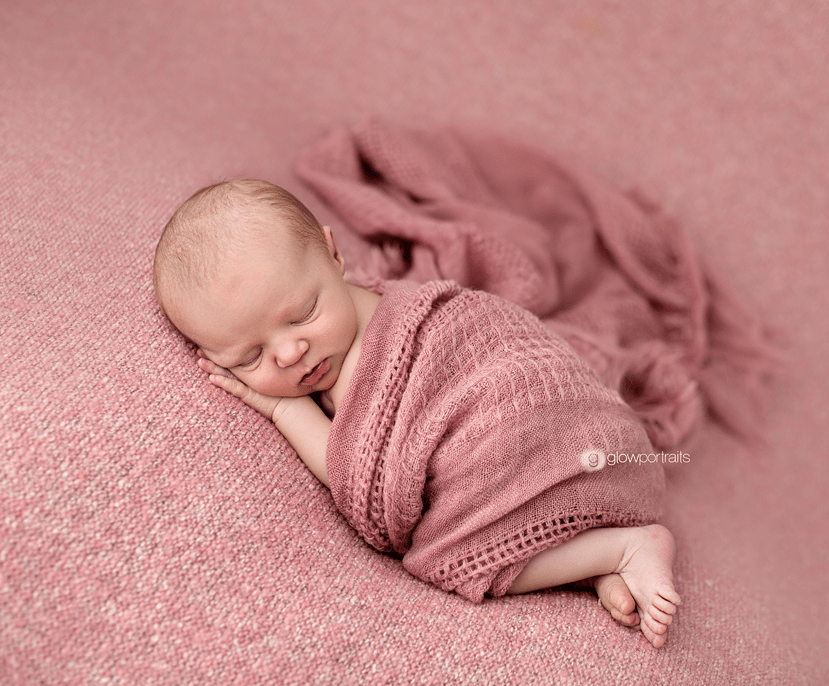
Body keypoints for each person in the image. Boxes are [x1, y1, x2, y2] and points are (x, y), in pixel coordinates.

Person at [153, 178, 681, 648]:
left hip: (520, 420)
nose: (291, 354)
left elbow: (354, 471)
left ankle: (622, 548)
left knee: (453, 559)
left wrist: (280, 408)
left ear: (335, 257)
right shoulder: (336, 324)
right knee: (511, 519)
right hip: (594, 448)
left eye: (303, 314)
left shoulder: (398, 331)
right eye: (250, 356)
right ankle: (590, 558)